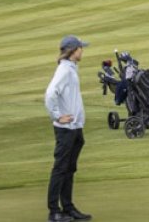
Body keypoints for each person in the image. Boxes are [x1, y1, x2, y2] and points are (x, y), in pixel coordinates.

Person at [44, 34, 93, 221]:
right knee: (60, 168)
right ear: (73, 50)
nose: (83, 50)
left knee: (69, 168)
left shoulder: (71, 68)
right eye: (81, 47)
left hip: (75, 128)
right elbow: (50, 94)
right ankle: (54, 211)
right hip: (66, 129)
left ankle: (68, 207)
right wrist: (57, 116)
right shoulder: (64, 70)